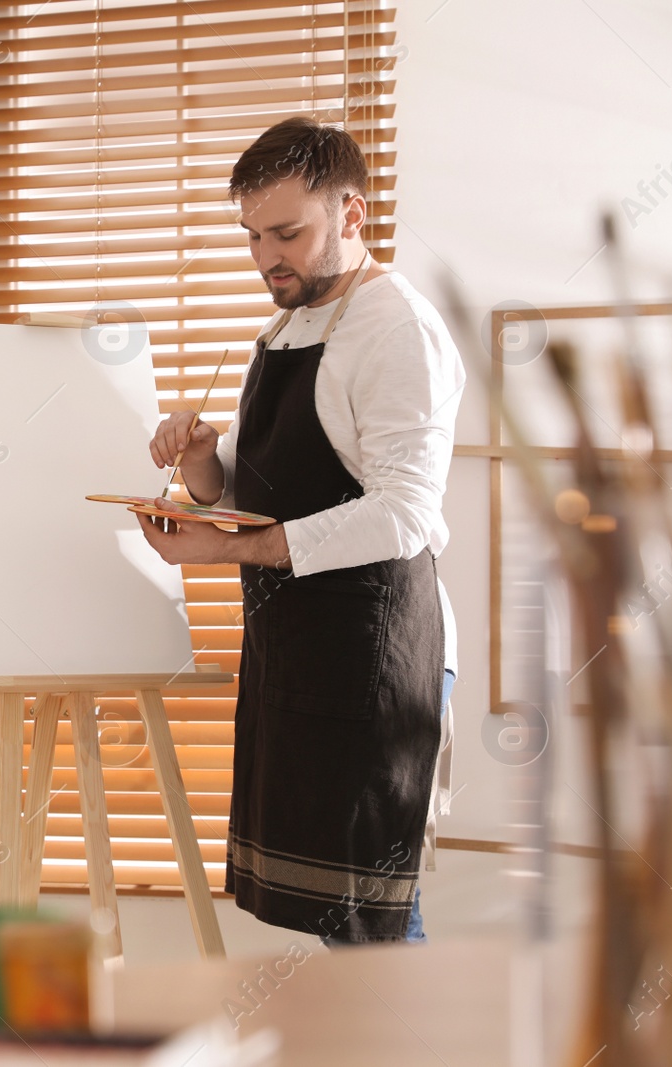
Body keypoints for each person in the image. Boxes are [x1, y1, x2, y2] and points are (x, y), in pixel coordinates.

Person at [136, 117, 464, 945]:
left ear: (352, 214)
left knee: (374, 918)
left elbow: (403, 512)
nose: (266, 257)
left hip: (379, 652)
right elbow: (258, 494)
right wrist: (205, 464)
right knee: (337, 919)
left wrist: (229, 547)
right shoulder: (289, 325)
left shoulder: (396, 329)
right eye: (252, 236)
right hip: (304, 647)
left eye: (288, 232)